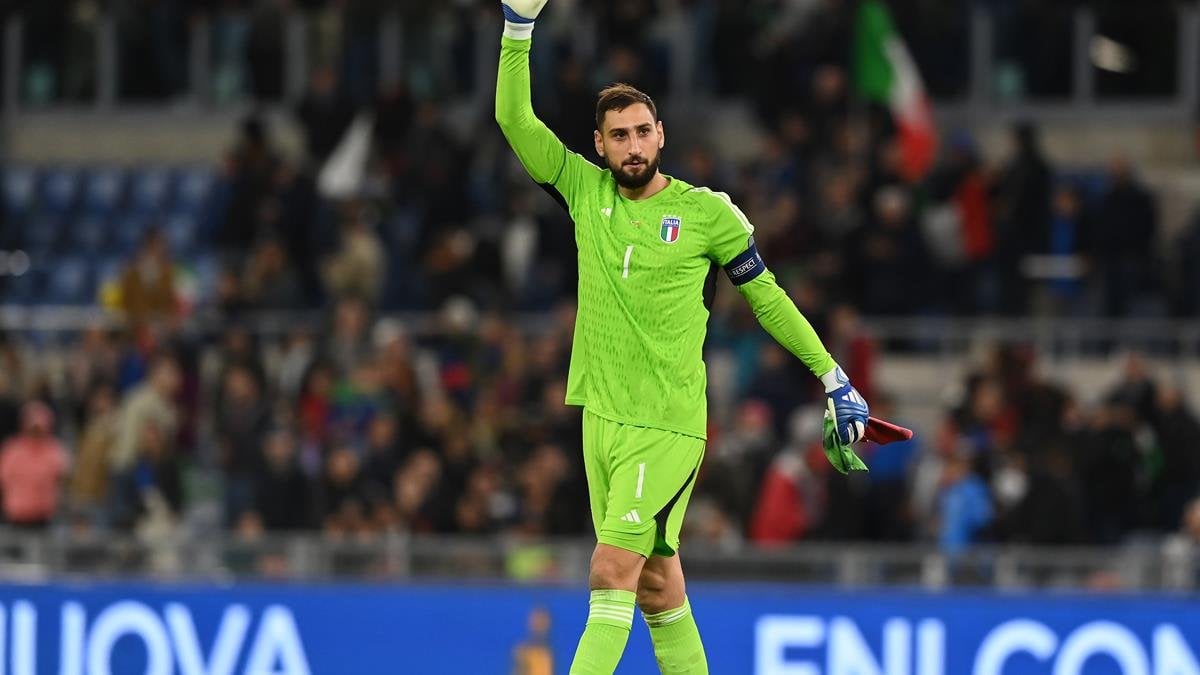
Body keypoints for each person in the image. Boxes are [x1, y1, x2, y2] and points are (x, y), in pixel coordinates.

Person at [494, 2, 872, 673]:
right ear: (601, 143)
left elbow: (768, 299)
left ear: (661, 135)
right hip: (601, 416)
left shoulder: (706, 214)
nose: (634, 144)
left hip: (667, 423)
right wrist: (517, 28)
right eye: (620, 135)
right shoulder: (584, 191)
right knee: (656, 582)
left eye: (644, 131)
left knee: (611, 565)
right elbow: (514, 120)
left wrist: (832, 375)